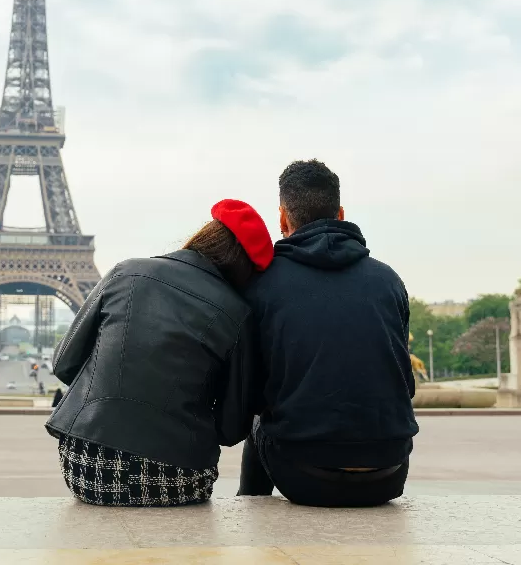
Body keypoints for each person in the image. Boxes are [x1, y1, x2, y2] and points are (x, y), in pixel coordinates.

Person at [46, 199, 272, 507]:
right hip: (176, 478)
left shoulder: (125, 272)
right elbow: (231, 429)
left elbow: (64, 364)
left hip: (86, 467)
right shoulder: (236, 314)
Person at [238, 160, 417, 507]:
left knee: (260, 421)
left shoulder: (262, 285)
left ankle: (250, 505)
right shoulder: (388, 281)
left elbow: (252, 393)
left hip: (303, 475)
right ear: (341, 213)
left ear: (282, 219)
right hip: (389, 473)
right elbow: (404, 383)